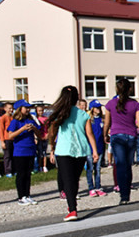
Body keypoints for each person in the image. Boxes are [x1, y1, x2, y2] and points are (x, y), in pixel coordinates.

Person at [48, 86, 100, 220]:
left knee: (67, 180)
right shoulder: (83, 114)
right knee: (74, 180)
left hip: (64, 150)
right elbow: (90, 133)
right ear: (77, 98)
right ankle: (72, 205)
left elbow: (52, 133)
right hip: (81, 150)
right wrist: (94, 150)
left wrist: (51, 149)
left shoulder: (59, 113)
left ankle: (72, 209)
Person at [104, 78, 139, 205]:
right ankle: (126, 194)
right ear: (130, 89)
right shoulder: (135, 104)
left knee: (120, 165)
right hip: (131, 137)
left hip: (116, 136)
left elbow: (107, 123)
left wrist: (105, 135)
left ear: (116, 89)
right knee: (128, 166)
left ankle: (123, 195)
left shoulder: (110, 104)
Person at [7, 99, 40, 205]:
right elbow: (10, 135)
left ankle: (27, 194)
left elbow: (40, 135)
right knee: (21, 174)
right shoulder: (15, 121)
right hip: (20, 151)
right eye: (26, 108)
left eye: (28, 108)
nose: (28, 110)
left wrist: (34, 129)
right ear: (20, 109)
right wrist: (22, 129)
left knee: (28, 174)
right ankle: (21, 196)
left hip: (30, 150)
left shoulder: (31, 119)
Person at [85, 100, 107, 197]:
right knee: (90, 169)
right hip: (90, 148)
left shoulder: (102, 120)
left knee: (98, 169)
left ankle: (98, 186)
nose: (98, 109)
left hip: (100, 147)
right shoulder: (89, 120)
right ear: (92, 109)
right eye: (96, 108)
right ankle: (91, 188)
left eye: (99, 107)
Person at [0, 102, 15, 176]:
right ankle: (8, 171)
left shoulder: (13, 117)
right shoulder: (3, 118)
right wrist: (2, 141)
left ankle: (14, 169)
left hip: (13, 138)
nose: (11, 110)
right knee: (7, 156)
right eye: (9, 108)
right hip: (6, 138)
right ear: (5, 109)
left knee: (13, 155)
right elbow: (1, 129)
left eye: (12, 108)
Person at [35, 104, 50, 173]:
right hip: (39, 137)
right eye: (39, 111)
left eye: (42, 111)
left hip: (45, 137)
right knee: (39, 152)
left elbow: (48, 128)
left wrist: (47, 134)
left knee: (44, 152)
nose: (40, 112)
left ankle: (44, 166)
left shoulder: (46, 119)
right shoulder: (35, 119)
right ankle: (39, 166)